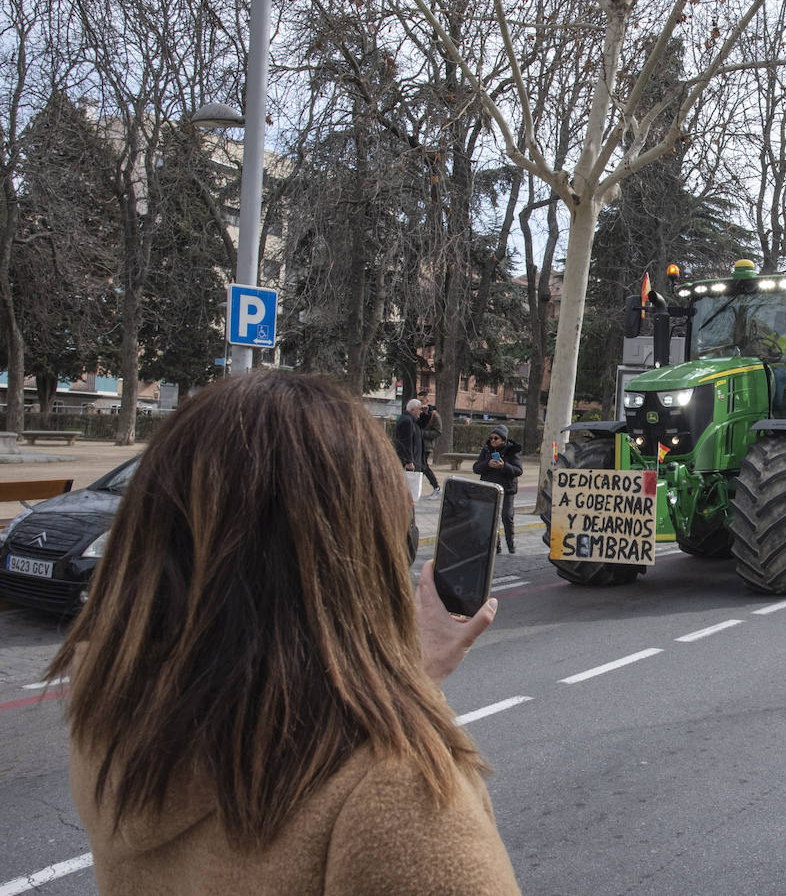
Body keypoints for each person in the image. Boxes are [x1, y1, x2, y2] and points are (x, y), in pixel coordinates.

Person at [46, 371, 521, 895]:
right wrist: (409, 716)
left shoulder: (116, 712)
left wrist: (414, 675)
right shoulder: (401, 799)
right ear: (356, 556)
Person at [473, 424, 522, 554]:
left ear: (503, 439)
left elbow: (518, 470)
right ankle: (496, 545)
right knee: (492, 517)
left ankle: (511, 544)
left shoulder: (511, 451)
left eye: (496, 438)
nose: (493, 440)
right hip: (490, 489)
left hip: (507, 489)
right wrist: (487, 464)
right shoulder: (487, 451)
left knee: (507, 516)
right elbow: (476, 468)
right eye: (491, 438)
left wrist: (503, 466)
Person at [418, 397, 442, 499]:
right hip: (419, 444)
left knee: (423, 466)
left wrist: (423, 433)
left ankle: (436, 488)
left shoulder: (434, 415)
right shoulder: (420, 414)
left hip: (427, 445)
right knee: (420, 467)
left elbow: (438, 431)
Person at [396, 397, 424, 473]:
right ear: (413, 410)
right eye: (419, 409)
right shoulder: (407, 421)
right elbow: (406, 442)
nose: (420, 412)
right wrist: (409, 461)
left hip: (413, 459)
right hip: (408, 462)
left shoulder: (411, 420)